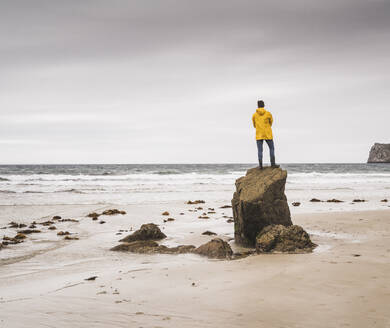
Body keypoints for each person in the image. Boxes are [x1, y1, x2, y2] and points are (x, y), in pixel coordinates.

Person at [252, 100, 279, 169]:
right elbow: (271, 122)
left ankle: (260, 166)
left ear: (257, 105)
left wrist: (259, 128)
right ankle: (273, 164)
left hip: (259, 134)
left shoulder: (254, 115)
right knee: (271, 148)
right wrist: (267, 127)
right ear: (264, 105)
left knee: (260, 150)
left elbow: (254, 125)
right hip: (267, 133)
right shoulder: (268, 114)